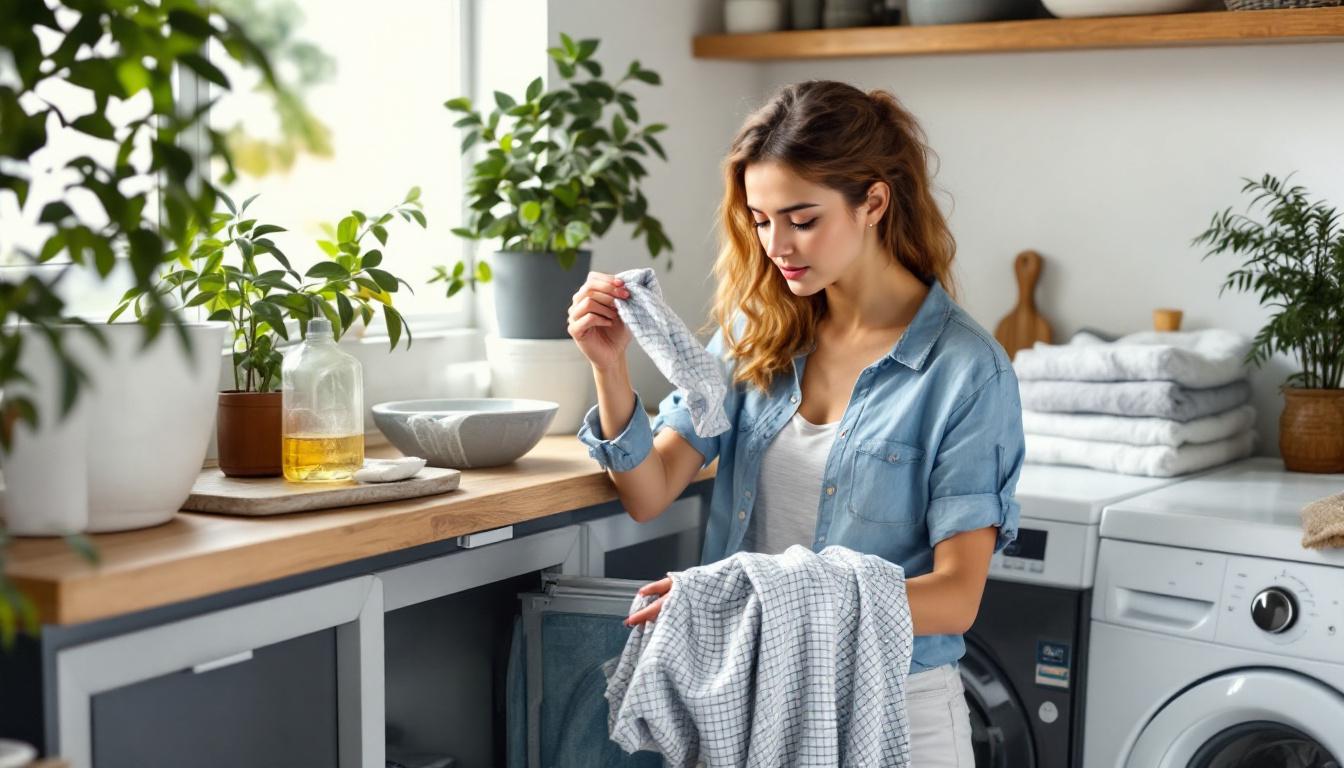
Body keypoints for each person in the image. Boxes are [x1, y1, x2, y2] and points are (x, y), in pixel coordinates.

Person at [569, 79, 1024, 767]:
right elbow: (648, 492)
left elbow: (957, 598)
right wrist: (609, 367)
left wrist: (761, 595)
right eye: (760, 219)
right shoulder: (756, 334)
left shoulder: (965, 371)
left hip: (896, 710)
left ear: (874, 202)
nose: (776, 244)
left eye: (802, 219)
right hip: (756, 702)